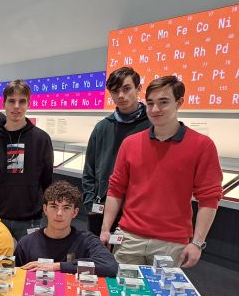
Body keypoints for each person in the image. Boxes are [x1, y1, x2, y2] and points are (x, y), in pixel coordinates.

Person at [101, 75, 223, 268]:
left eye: (163, 102)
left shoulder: (202, 146)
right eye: (150, 103)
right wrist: (105, 229)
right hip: (129, 238)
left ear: (179, 103)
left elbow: (209, 198)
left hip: (171, 243)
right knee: (120, 286)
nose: (155, 109)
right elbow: (116, 188)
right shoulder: (130, 144)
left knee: (163, 289)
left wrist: (197, 243)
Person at [82, 67, 151, 236]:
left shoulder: (152, 126)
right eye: (115, 91)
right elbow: (89, 169)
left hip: (137, 213)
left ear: (138, 88)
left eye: (126, 89)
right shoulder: (102, 127)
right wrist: (90, 202)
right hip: (101, 209)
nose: (120, 95)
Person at [0, 80, 53, 241]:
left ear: (29, 104)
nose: (16, 106)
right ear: (4, 104)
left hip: (31, 219)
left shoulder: (42, 139)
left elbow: (47, 181)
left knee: (29, 258)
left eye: (22, 101)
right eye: (11, 101)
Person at [15, 181, 117, 277]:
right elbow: (15, 278)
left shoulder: (87, 241)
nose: (59, 213)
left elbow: (110, 266)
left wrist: (57, 266)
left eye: (66, 208)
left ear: (75, 212)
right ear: (45, 209)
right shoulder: (26, 244)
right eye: (54, 206)